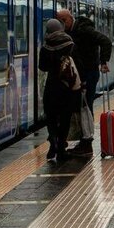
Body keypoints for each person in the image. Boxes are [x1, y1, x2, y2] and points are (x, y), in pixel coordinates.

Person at [58, 8, 112, 157]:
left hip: (88, 74)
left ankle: (86, 143)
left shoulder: (84, 30)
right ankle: (83, 140)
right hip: (80, 74)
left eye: (64, 20)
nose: (62, 24)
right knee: (80, 106)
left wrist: (103, 62)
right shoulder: (69, 32)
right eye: (59, 21)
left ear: (70, 18)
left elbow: (106, 41)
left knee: (85, 106)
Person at [38, 18, 78, 162]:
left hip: (51, 86)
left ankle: (53, 141)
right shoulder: (69, 44)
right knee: (65, 118)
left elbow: (42, 67)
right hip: (66, 87)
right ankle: (61, 149)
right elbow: (75, 64)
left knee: (51, 117)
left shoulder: (45, 47)